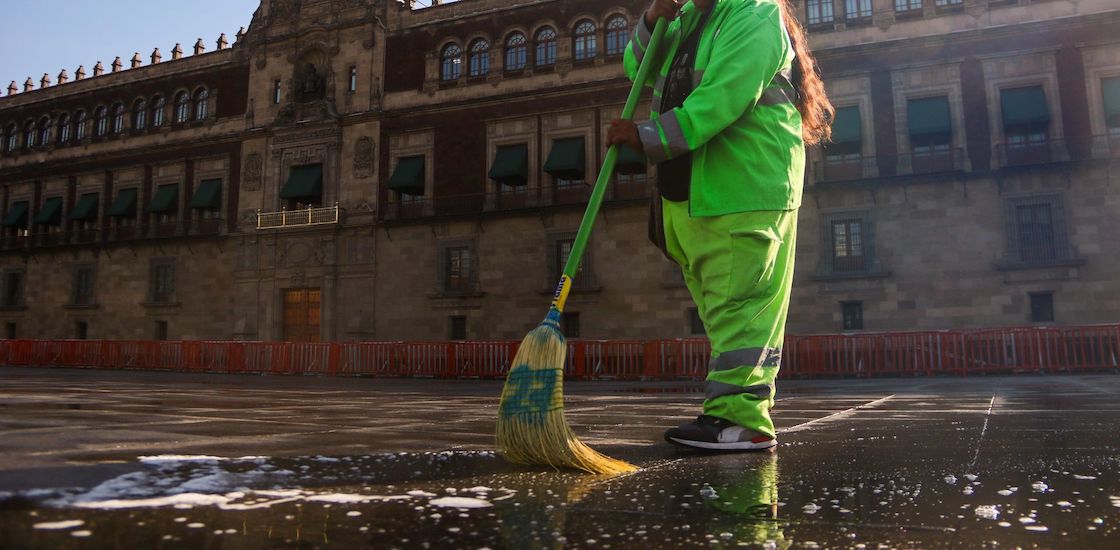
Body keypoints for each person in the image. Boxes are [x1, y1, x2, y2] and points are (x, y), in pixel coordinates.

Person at [607, 0, 833, 451]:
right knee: (724, 311)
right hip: (695, 192)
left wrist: (646, 136)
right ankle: (729, 414)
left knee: (742, 309)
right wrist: (654, 18)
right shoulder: (688, 17)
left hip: (743, 187)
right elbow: (638, 67)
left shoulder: (755, 13)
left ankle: (741, 420)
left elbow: (723, 96)